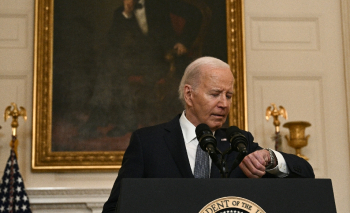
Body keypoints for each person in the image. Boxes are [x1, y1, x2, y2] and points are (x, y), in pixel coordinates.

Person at [102, 56, 315, 213]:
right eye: (215, 94)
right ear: (189, 94)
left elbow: (305, 175)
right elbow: (115, 208)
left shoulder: (239, 142)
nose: (224, 104)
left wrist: (270, 158)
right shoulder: (148, 142)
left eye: (229, 95)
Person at [82, 0, 203, 139]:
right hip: (138, 61)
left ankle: (117, 121)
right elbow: (113, 44)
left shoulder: (161, 1)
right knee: (110, 65)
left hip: (164, 59)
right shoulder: (121, 12)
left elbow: (195, 14)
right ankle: (102, 119)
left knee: (112, 67)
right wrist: (126, 15)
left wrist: (183, 41)